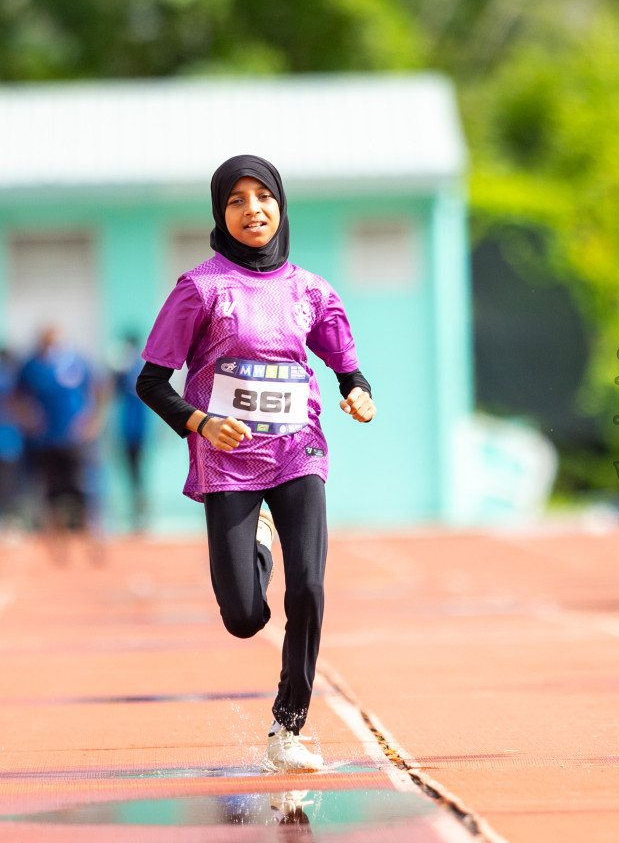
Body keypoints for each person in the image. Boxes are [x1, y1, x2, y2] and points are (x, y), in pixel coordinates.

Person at [136, 156, 376, 773]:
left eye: (263, 197)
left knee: (311, 590)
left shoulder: (311, 290)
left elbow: (344, 360)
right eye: (237, 200)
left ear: (281, 206)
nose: (253, 210)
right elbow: (151, 382)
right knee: (245, 616)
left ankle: (289, 726)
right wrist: (202, 422)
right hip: (228, 459)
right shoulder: (201, 289)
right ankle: (258, 545)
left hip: (299, 450)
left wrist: (356, 389)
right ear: (221, 213)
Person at [16, 326, 104, 553]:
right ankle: (57, 541)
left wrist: (92, 421)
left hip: (75, 440)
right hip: (45, 441)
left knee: (84, 488)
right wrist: (27, 419)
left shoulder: (77, 362)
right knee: (51, 491)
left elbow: (100, 390)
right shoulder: (31, 366)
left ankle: (91, 538)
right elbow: (16, 397)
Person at [113, 332, 152, 534]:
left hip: (139, 431)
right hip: (126, 431)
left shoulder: (141, 370)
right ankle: (134, 513)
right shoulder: (123, 372)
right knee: (130, 473)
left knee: (138, 473)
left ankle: (141, 514)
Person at [0, 349, 24, 533]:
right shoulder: (12, 377)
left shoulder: (13, 377)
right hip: (9, 443)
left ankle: (10, 521)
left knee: (9, 485)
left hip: (9, 442)